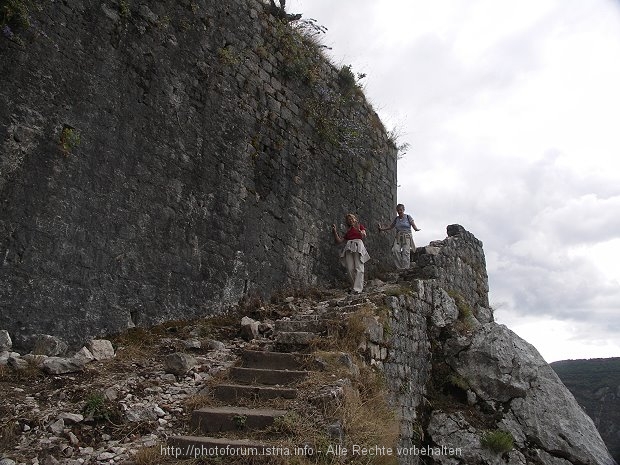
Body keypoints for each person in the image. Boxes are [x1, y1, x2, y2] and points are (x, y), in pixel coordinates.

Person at [331, 213, 371, 294]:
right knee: (350, 269)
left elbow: (364, 235)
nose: (351, 220)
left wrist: (360, 231)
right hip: (349, 247)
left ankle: (358, 289)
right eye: (349, 220)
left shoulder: (360, 226)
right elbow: (339, 241)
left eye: (352, 219)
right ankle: (354, 287)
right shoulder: (348, 231)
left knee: (359, 267)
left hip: (358, 245)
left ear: (355, 219)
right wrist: (334, 231)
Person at [377, 204, 421, 270]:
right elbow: (391, 227)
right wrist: (382, 229)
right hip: (398, 237)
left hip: (406, 236)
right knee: (395, 250)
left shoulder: (408, 217)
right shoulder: (396, 219)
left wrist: (416, 229)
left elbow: (413, 224)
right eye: (398, 210)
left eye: (401, 210)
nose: (399, 211)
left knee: (405, 251)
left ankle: (405, 268)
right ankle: (399, 268)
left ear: (403, 210)